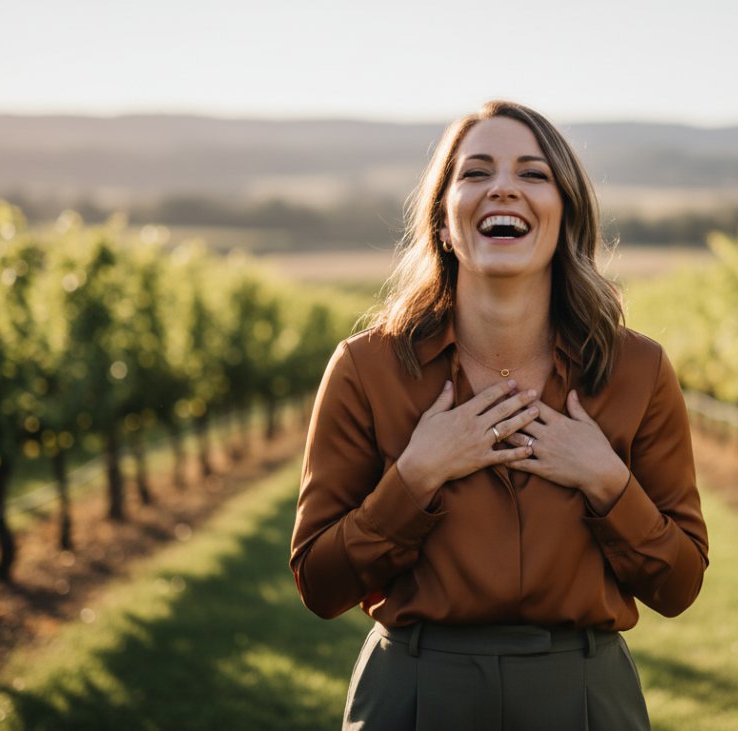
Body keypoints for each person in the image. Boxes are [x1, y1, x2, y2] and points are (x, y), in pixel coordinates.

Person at [289, 99, 708, 730]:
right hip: (414, 698)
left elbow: (679, 586)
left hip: (587, 701)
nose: (503, 187)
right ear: (444, 218)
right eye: (476, 172)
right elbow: (321, 585)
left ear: (565, 210)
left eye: (533, 174)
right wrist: (415, 477)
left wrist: (607, 482)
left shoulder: (638, 370)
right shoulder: (364, 369)